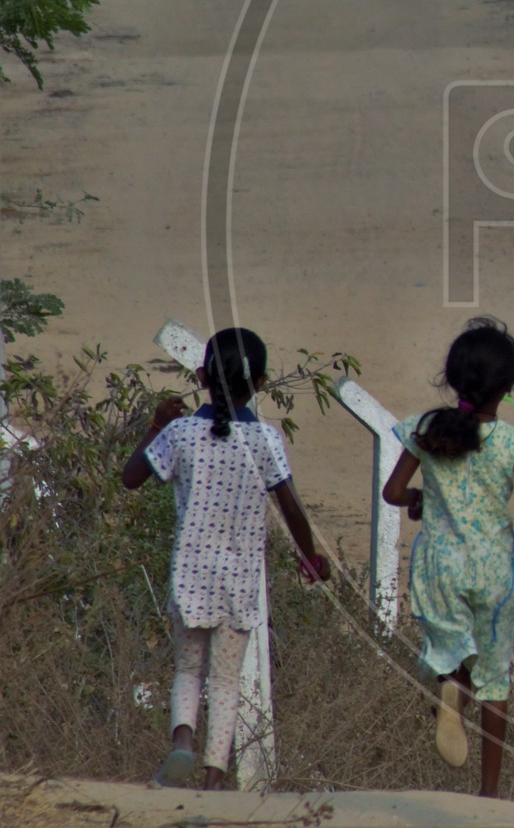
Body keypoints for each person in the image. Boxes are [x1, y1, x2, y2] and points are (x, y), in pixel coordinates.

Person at [121, 327, 330, 791]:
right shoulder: (266, 442)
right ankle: (215, 779)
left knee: (187, 669)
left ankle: (182, 742)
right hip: (239, 580)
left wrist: (155, 424)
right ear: (261, 383)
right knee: (227, 681)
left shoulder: (180, 433)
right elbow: (291, 507)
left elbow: (131, 477)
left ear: (201, 376)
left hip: (190, 574)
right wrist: (311, 556)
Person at [381, 317, 514, 799]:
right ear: (509, 385)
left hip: (438, 566)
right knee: (495, 678)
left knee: (449, 650)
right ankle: (490, 793)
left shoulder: (427, 429)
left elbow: (393, 491)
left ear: (452, 379)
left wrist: (417, 498)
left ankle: (449, 684)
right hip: (492, 570)